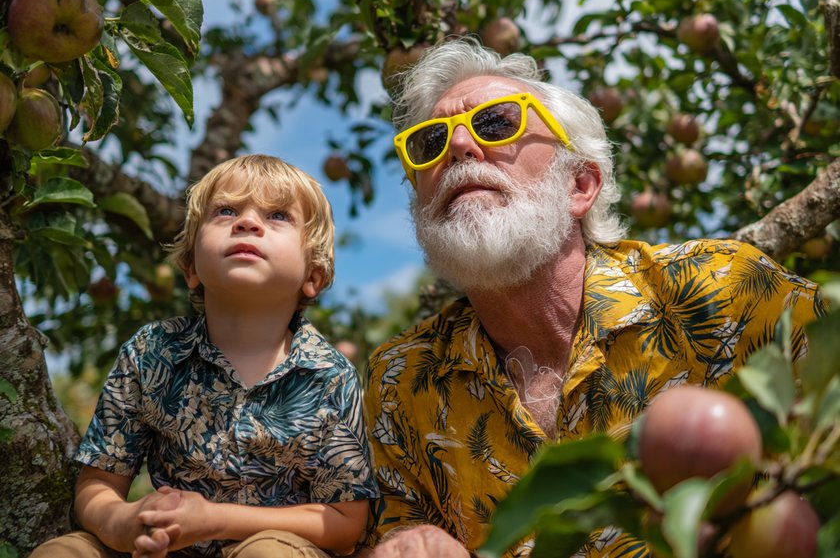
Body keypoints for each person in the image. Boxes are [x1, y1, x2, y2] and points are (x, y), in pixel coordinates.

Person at [363, 38, 824, 558]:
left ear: (579, 185)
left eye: (495, 123)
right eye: (429, 142)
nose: (460, 147)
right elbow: (396, 526)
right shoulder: (401, 380)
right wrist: (409, 544)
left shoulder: (723, 288)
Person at [32, 155, 378, 558]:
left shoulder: (330, 376)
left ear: (312, 276)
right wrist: (123, 521)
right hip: (163, 547)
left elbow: (345, 522)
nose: (247, 223)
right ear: (191, 267)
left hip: (275, 546)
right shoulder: (152, 352)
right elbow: (98, 484)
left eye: (278, 215)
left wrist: (216, 519)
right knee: (66, 552)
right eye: (226, 211)